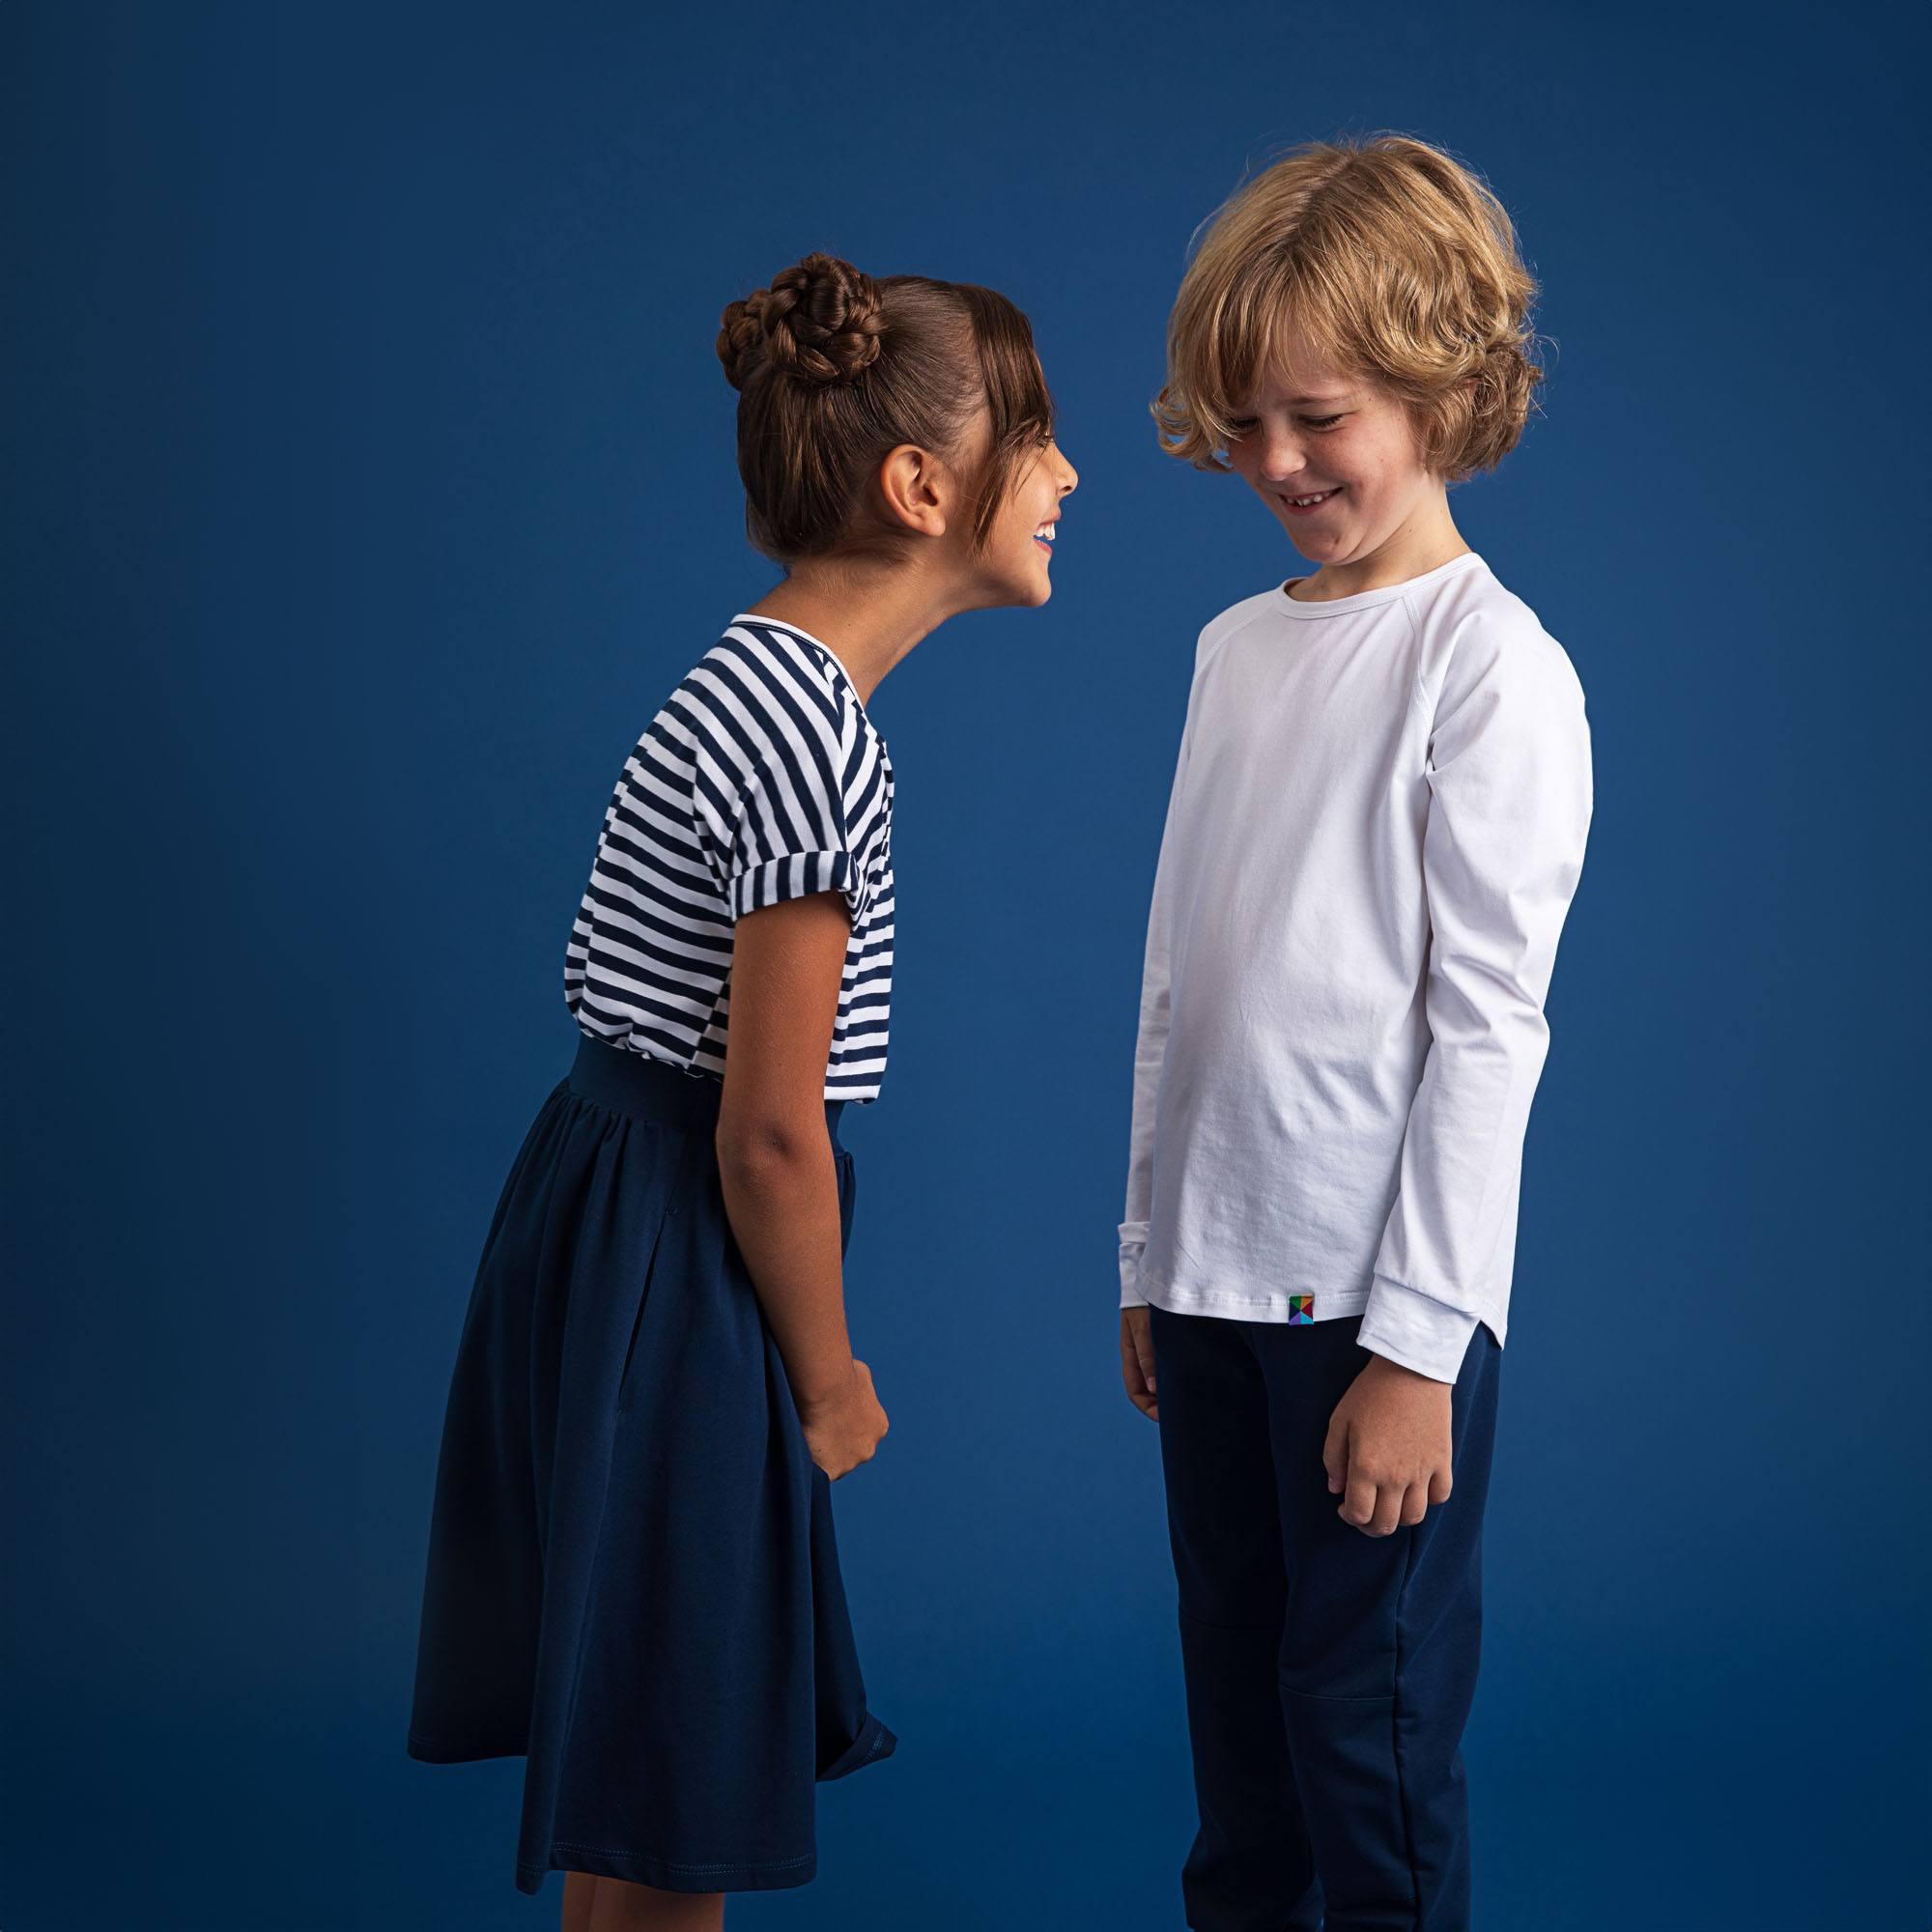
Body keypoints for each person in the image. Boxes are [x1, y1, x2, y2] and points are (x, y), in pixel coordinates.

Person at [408, 249, 1077, 1930]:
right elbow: (771, 1132)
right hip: (680, 1258)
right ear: (926, 488)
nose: (1069, 475)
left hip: (613, 1214)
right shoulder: (812, 738)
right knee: (678, 1783)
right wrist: (832, 1376)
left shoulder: (760, 677)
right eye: (1041, 436)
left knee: (647, 1764)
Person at [1117, 134, 1594, 1931]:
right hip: (1217, 1293)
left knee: (1363, 1739)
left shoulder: (1492, 667)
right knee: (1239, 1735)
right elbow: (1184, 973)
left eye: (1317, 417)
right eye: (1244, 426)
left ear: (1442, 386)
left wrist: (1420, 1347)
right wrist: (1149, 1252)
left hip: (1374, 1310)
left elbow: (1489, 1034)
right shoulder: (1238, 648)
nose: (1278, 464)